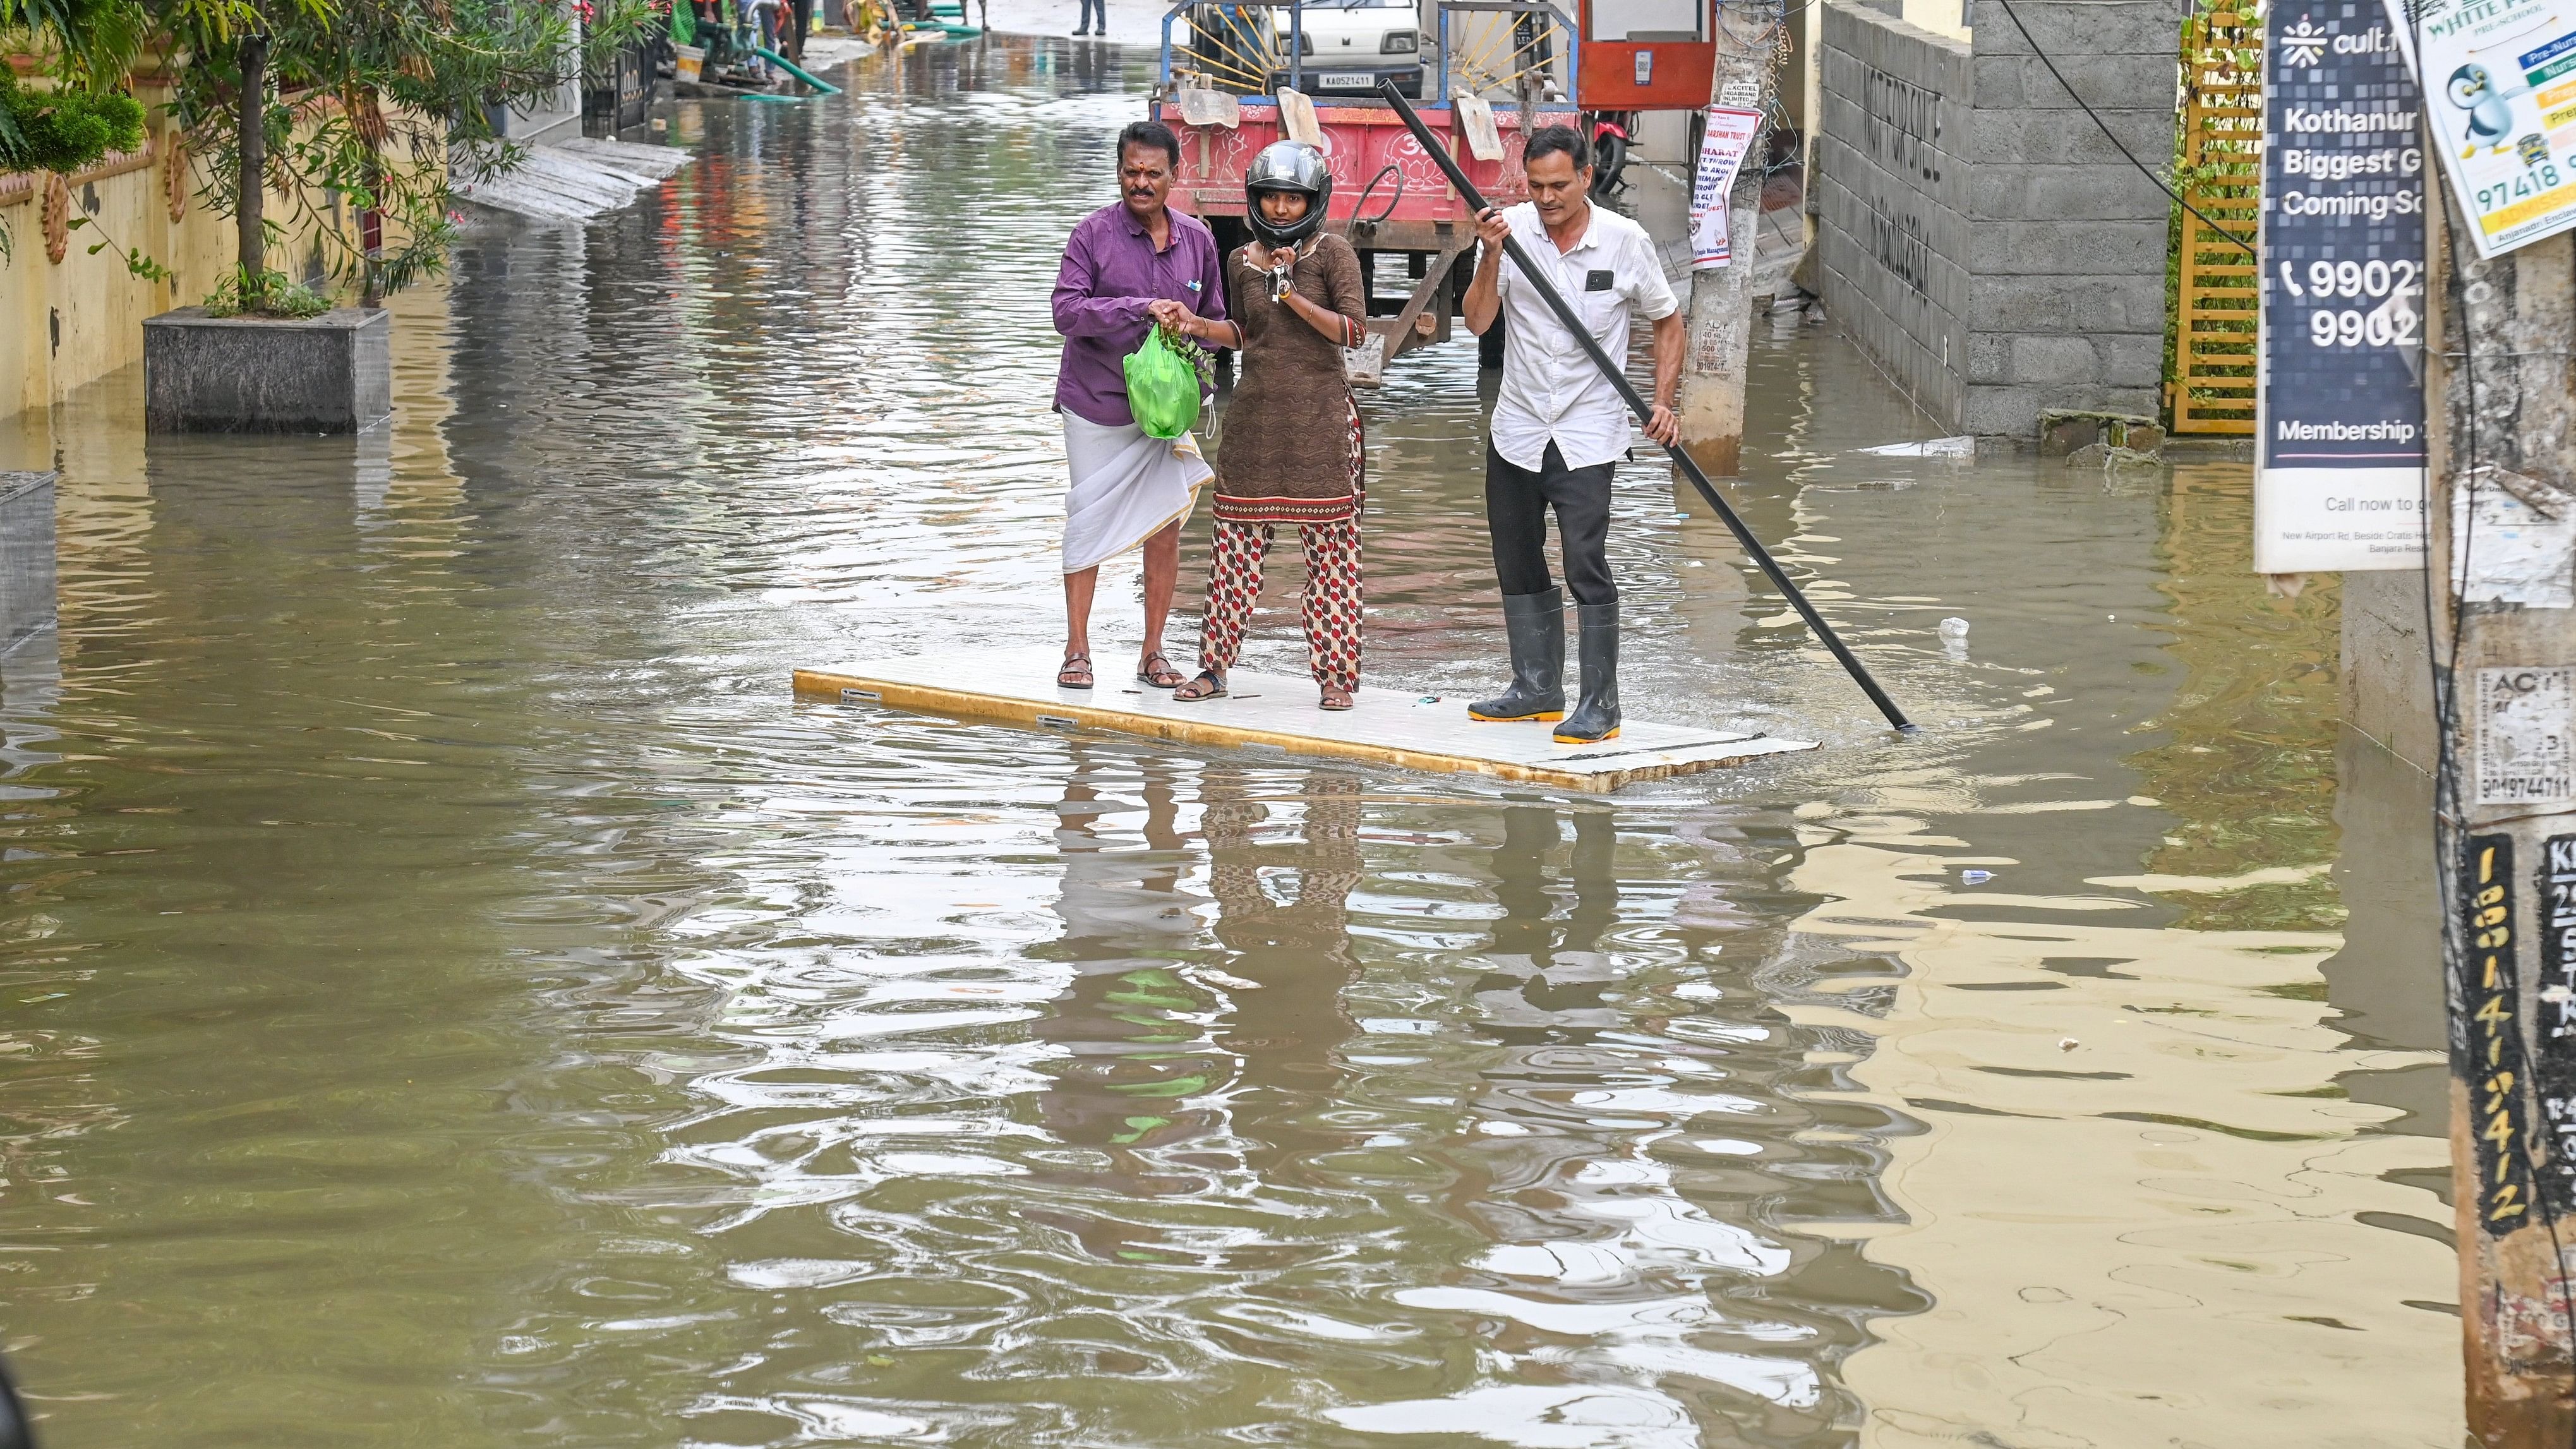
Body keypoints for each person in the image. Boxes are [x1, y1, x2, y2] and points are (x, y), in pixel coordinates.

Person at [1459, 124, 1682, 745]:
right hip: (1518, 426)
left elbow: (1667, 322)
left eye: (1560, 185)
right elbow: (1477, 321)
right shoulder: (1510, 232)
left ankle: (1600, 703)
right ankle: (1535, 687)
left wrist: (1662, 402)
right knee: (1516, 557)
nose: (1548, 197)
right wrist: (1491, 254)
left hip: (1588, 432)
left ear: (1587, 177)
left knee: (1585, 561)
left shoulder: (1623, 241)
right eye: (1536, 187)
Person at [1171, 141, 1369, 711]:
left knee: (1332, 559)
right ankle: (1213, 667)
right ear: (1255, 200)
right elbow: (1246, 334)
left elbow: (1354, 334)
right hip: (1256, 423)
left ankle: (1335, 675)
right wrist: (1198, 326)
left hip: (1323, 423)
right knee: (1233, 551)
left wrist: (1290, 295)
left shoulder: (1335, 255)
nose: (1281, 209)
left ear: (1312, 201)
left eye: (1292, 199)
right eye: (1271, 198)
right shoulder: (1240, 261)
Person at [1050, 119, 1231, 692]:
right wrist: (1139, 307)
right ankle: (1077, 650)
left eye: (1154, 174)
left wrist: (1192, 332)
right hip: (1097, 403)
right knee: (1089, 519)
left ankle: (1153, 653)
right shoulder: (1092, 235)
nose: (1142, 184)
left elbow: (1220, 326)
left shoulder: (1198, 240)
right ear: (1119, 172)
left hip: (1164, 414)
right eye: (1132, 172)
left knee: (1167, 524)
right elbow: (1066, 313)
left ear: (1175, 176)